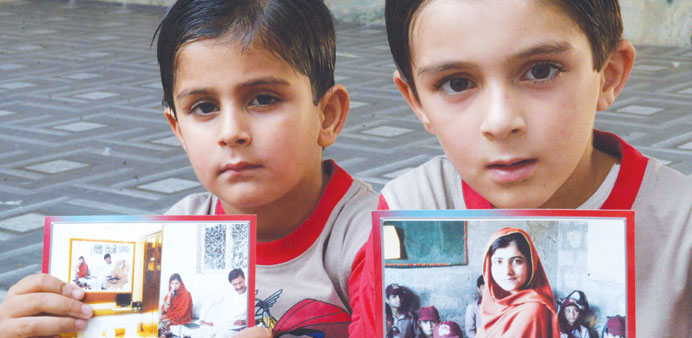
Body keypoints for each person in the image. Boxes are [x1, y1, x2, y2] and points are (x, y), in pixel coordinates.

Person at [379, 0, 692, 336]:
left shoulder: (681, 228)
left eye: (541, 71)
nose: (500, 122)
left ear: (608, 75)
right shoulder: (409, 205)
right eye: (457, 83)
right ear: (417, 102)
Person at [157, 0, 377, 337]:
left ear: (327, 115)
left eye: (263, 99)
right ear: (179, 130)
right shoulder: (179, 235)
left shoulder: (370, 237)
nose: (231, 132)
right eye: (204, 107)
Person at [477, 228, 559, 337]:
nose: (507, 271)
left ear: (530, 265)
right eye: (498, 262)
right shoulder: (494, 302)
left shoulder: (533, 309)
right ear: (489, 266)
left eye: (516, 261)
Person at [199, 269, 249, 337]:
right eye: (235, 284)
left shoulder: (251, 295)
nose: (238, 286)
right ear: (231, 284)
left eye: (240, 283)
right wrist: (202, 318)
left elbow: (258, 317)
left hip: (234, 330)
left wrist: (245, 321)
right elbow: (210, 301)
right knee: (197, 335)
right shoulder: (228, 292)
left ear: (244, 279)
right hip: (219, 325)